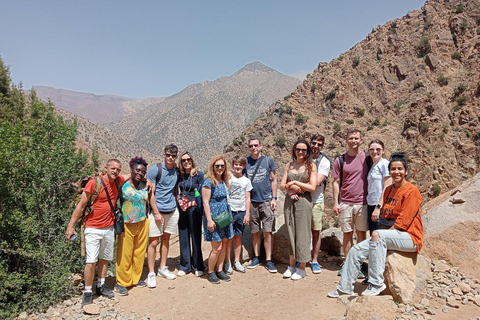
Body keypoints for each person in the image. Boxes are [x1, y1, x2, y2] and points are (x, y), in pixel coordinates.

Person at [328, 152, 423, 297]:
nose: (396, 172)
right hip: (391, 235)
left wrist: (379, 238)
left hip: (411, 237)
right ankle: (344, 287)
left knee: (377, 235)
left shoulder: (412, 191)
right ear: (389, 171)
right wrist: (378, 239)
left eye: (400, 169)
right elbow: (385, 217)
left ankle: (376, 283)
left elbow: (403, 222)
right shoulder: (389, 190)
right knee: (356, 250)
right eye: (393, 169)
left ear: (406, 171)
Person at [66, 159, 125, 306]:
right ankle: (87, 291)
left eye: (118, 169)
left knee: (104, 258)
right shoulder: (94, 183)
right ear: (106, 168)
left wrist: (145, 176)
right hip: (92, 228)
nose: (115, 171)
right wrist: (70, 226)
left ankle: (101, 284)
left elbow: (131, 175)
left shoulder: (118, 181)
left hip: (109, 227)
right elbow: (81, 205)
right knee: (91, 261)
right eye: (112, 168)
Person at [332, 128, 370, 277]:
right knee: (347, 234)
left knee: (361, 235)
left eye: (356, 138)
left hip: (363, 203)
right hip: (346, 203)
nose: (353, 141)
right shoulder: (340, 160)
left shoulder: (367, 158)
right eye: (351, 138)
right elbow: (336, 182)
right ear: (346, 140)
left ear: (361, 141)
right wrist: (336, 202)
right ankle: (348, 264)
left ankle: (358, 265)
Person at [280, 139, 317, 280]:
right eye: (298, 149)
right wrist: (290, 190)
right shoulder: (289, 165)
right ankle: (291, 265)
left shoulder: (311, 166)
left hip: (304, 201)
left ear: (307, 152)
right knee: (290, 232)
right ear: (294, 150)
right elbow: (282, 185)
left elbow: (312, 187)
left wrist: (295, 182)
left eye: (303, 150)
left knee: (302, 233)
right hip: (290, 201)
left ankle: (301, 267)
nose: (300, 152)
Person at [114, 157, 151, 296]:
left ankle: (135, 278)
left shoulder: (145, 185)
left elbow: (149, 199)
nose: (140, 173)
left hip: (142, 221)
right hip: (126, 223)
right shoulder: (122, 184)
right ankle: (122, 282)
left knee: (139, 252)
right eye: (137, 170)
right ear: (131, 169)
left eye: (143, 171)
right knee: (125, 253)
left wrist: (148, 181)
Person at [146, 144, 180, 288]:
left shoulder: (177, 171)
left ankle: (162, 268)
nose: (171, 158)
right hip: (157, 211)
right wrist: (156, 212)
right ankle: (151, 272)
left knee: (166, 239)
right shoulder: (156, 169)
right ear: (164, 155)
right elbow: (150, 193)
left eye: (173, 155)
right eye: (168, 155)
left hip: (171, 210)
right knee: (153, 242)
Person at [245, 136, 278, 273]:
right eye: (251, 146)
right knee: (255, 232)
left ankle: (269, 260)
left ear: (261, 146)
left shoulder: (268, 160)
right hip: (252, 202)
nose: (253, 148)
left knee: (268, 231)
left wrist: (274, 198)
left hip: (266, 200)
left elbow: (274, 179)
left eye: (256, 145)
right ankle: (257, 257)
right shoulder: (245, 162)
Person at [202, 154, 234, 284]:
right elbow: (205, 202)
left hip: (224, 217)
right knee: (217, 247)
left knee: (225, 244)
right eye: (217, 166)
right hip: (214, 218)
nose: (220, 168)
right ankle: (210, 271)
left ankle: (220, 270)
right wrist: (209, 220)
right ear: (212, 167)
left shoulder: (224, 180)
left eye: (222, 166)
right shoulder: (209, 182)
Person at [176, 151, 205, 277]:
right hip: (182, 208)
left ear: (192, 161)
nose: (186, 162)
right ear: (181, 163)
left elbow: (201, 191)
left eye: (188, 159)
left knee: (196, 236)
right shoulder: (179, 175)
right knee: (183, 235)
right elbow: (176, 189)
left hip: (194, 208)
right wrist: (179, 199)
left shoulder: (198, 175)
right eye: (183, 160)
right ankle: (185, 265)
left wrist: (197, 203)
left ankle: (198, 265)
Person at [224, 155, 253, 274]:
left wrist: (247, 213)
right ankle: (227, 262)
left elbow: (247, 198)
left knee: (238, 237)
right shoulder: (228, 178)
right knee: (228, 237)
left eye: (240, 165)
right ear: (232, 165)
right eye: (236, 164)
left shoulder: (246, 181)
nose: (238, 167)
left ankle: (237, 261)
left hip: (240, 212)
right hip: (229, 211)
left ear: (243, 166)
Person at [309, 134, 331, 274]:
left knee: (316, 232)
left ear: (322, 146)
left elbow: (316, 182)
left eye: (319, 144)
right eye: (314, 143)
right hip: (302, 201)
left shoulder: (325, 161)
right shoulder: (302, 156)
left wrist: (297, 185)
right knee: (301, 232)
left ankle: (315, 260)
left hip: (316, 200)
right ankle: (302, 258)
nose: (315, 146)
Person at [366, 139, 392, 235]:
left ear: (383, 150)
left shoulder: (385, 164)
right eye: (372, 149)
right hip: (371, 204)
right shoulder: (373, 165)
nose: (375, 152)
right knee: (373, 234)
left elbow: (388, 186)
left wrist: (378, 207)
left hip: (379, 206)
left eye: (378, 149)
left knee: (378, 236)